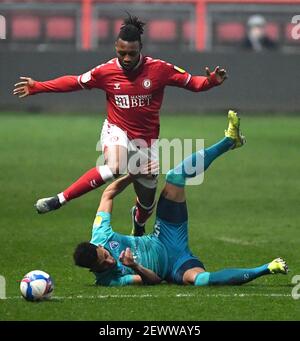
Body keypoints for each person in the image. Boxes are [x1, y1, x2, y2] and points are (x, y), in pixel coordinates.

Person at [13, 14, 227, 236]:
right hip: (117, 129)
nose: (126, 58)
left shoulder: (159, 69)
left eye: (131, 53)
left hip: (147, 142)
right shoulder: (105, 71)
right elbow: (74, 82)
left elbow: (193, 82)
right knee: (115, 166)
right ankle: (60, 199)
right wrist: (38, 86)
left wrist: (211, 81)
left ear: (141, 48)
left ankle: (138, 223)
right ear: (116, 47)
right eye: (121, 53)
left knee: (146, 205)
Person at [73, 111, 288, 286]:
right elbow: (155, 280)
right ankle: (268, 268)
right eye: (105, 262)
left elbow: (108, 193)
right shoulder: (109, 280)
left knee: (176, 176)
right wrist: (135, 266)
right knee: (200, 280)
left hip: (163, 235)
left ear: (99, 246)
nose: (110, 259)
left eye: (106, 254)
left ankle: (230, 141)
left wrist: (133, 174)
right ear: (94, 269)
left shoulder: (100, 235)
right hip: (174, 266)